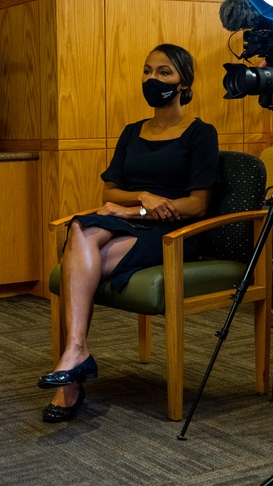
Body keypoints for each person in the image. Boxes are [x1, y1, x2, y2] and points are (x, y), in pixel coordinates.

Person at [37, 44, 219, 422]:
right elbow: (109, 193)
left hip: (174, 234)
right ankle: (75, 354)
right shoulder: (132, 132)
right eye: (147, 71)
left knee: (82, 248)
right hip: (130, 219)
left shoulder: (201, 133)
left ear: (184, 82)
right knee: (81, 228)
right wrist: (142, 198)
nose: (153, 79)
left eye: (164, 72)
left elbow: (198, 204)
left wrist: (139, 209)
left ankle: (71, 378)